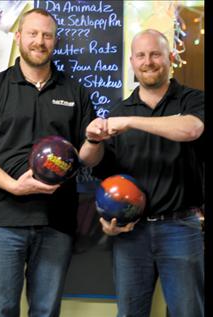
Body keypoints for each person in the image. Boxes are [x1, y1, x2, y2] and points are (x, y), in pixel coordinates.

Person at [0, 8, 102, 317]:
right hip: (3, 221)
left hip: (56, 223)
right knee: (1, 310)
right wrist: (13, 185)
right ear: (19, 37)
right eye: (33, 34)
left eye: (47, 35)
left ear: (54, 41)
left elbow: (89, 159)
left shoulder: (75, 92)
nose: (40, 41)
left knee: (45, 310)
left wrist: (94, 140)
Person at [86, 29, 205, 317]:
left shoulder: (192, 100)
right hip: (130, 233)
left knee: (188, 312)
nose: (148, 61)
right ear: (131, 61)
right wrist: (91, 139)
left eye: (155, 54)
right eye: (141, 55)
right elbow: (99, 169)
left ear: (170, 58)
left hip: (181, 228)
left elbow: (191, 129)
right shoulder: (118, 110)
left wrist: (129, 122)